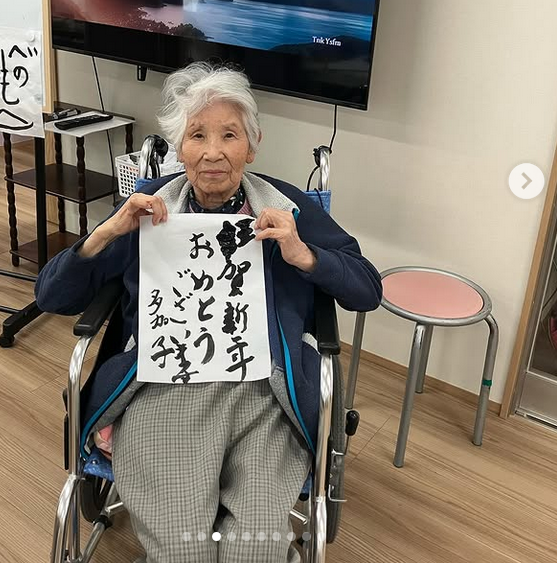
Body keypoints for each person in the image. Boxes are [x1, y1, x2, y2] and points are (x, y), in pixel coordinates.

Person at [35, 62, 382, 563]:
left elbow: (367, 289)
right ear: (179, 148)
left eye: (230, 135)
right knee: (181, 549)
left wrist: (304, 254)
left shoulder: (287, 206)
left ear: (252, 146)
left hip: (265, 393)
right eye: (197, 135)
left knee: (255, 549)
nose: (213, 151)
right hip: (161, 388)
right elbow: (52, 297)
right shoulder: (147, 208)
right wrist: (107, 232)